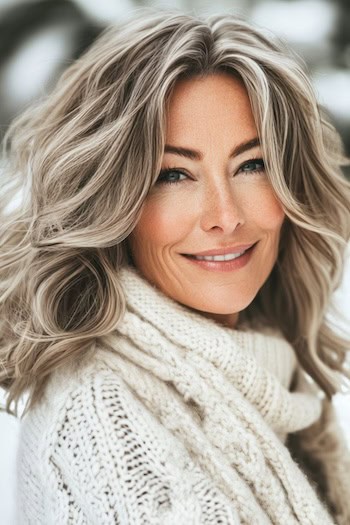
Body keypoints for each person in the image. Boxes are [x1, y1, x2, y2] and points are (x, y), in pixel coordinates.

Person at [0, 7, 350, 524]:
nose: (225, 217)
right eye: (175, 175)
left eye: (251, 165)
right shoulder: (108, 428)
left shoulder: (274, 381)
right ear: (112, 202)